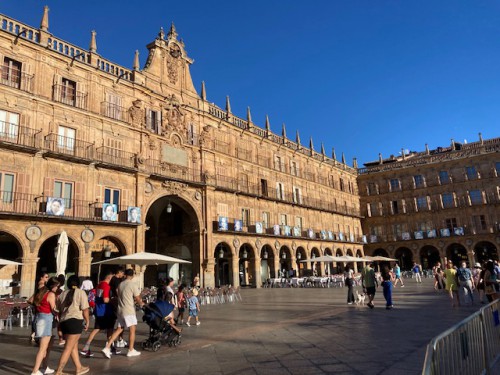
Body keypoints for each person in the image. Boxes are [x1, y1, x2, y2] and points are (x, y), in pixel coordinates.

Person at [102, 269, 145, 359]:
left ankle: (107, 347)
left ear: (125, 275)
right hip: (129, 310)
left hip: (120, 309)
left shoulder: (121, 284)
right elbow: (137, 298)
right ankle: (131, 350)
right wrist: (141, 303)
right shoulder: (132, 284)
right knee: (132, 330)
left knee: (119, 329)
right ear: (132, 276)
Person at [55, 275, 90, 375]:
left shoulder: (63, 294)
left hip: (64, 322)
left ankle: (79, 368)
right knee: (68, 348)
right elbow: (85, 309)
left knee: (73, 346)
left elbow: (58, 311)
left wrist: (59, 326)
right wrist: (87, 321)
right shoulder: (81, 292)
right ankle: (59, 371)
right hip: (75, 322)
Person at [80, 271, 119, 358]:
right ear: (109, 278)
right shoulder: (106, 286)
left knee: (97, 329)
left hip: (99, 309)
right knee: (109, 329)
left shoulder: (99, 284)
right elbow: (105, 299)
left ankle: (88, 346)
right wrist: (113, 300)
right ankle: (108, 347)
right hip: (106, 310)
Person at [30, 276, 59, 375]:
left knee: (45, 347)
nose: (57, 288)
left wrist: (38, 306)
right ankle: (35, 371)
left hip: (38, 318)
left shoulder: (40, 292)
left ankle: (44, 367)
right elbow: (54, 309)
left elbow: (29, 300)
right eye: (56, 286)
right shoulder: (50, 294)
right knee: (42, 348)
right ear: (53, 286)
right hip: (46, 319)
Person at [109, 267, 127, 348]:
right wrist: (122, 297)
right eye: (122, 273)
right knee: (121, 321)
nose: (123, 275)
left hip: (114, 301)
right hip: (117, 301)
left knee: (119, 321)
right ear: (119, 272)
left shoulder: (114, 279)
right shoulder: (116, 279)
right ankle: (119, 340)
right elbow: (117, 290)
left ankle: (120, 339)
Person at [30, 272, 49, 343]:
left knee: (35, 320)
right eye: (46, 277)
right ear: (42, 278)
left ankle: (33, 334)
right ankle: (37, 335)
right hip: (39, 305)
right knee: (37, 321)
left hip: (37, 305)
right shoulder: (42, 284)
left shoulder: (39, 284)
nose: (47, 278)